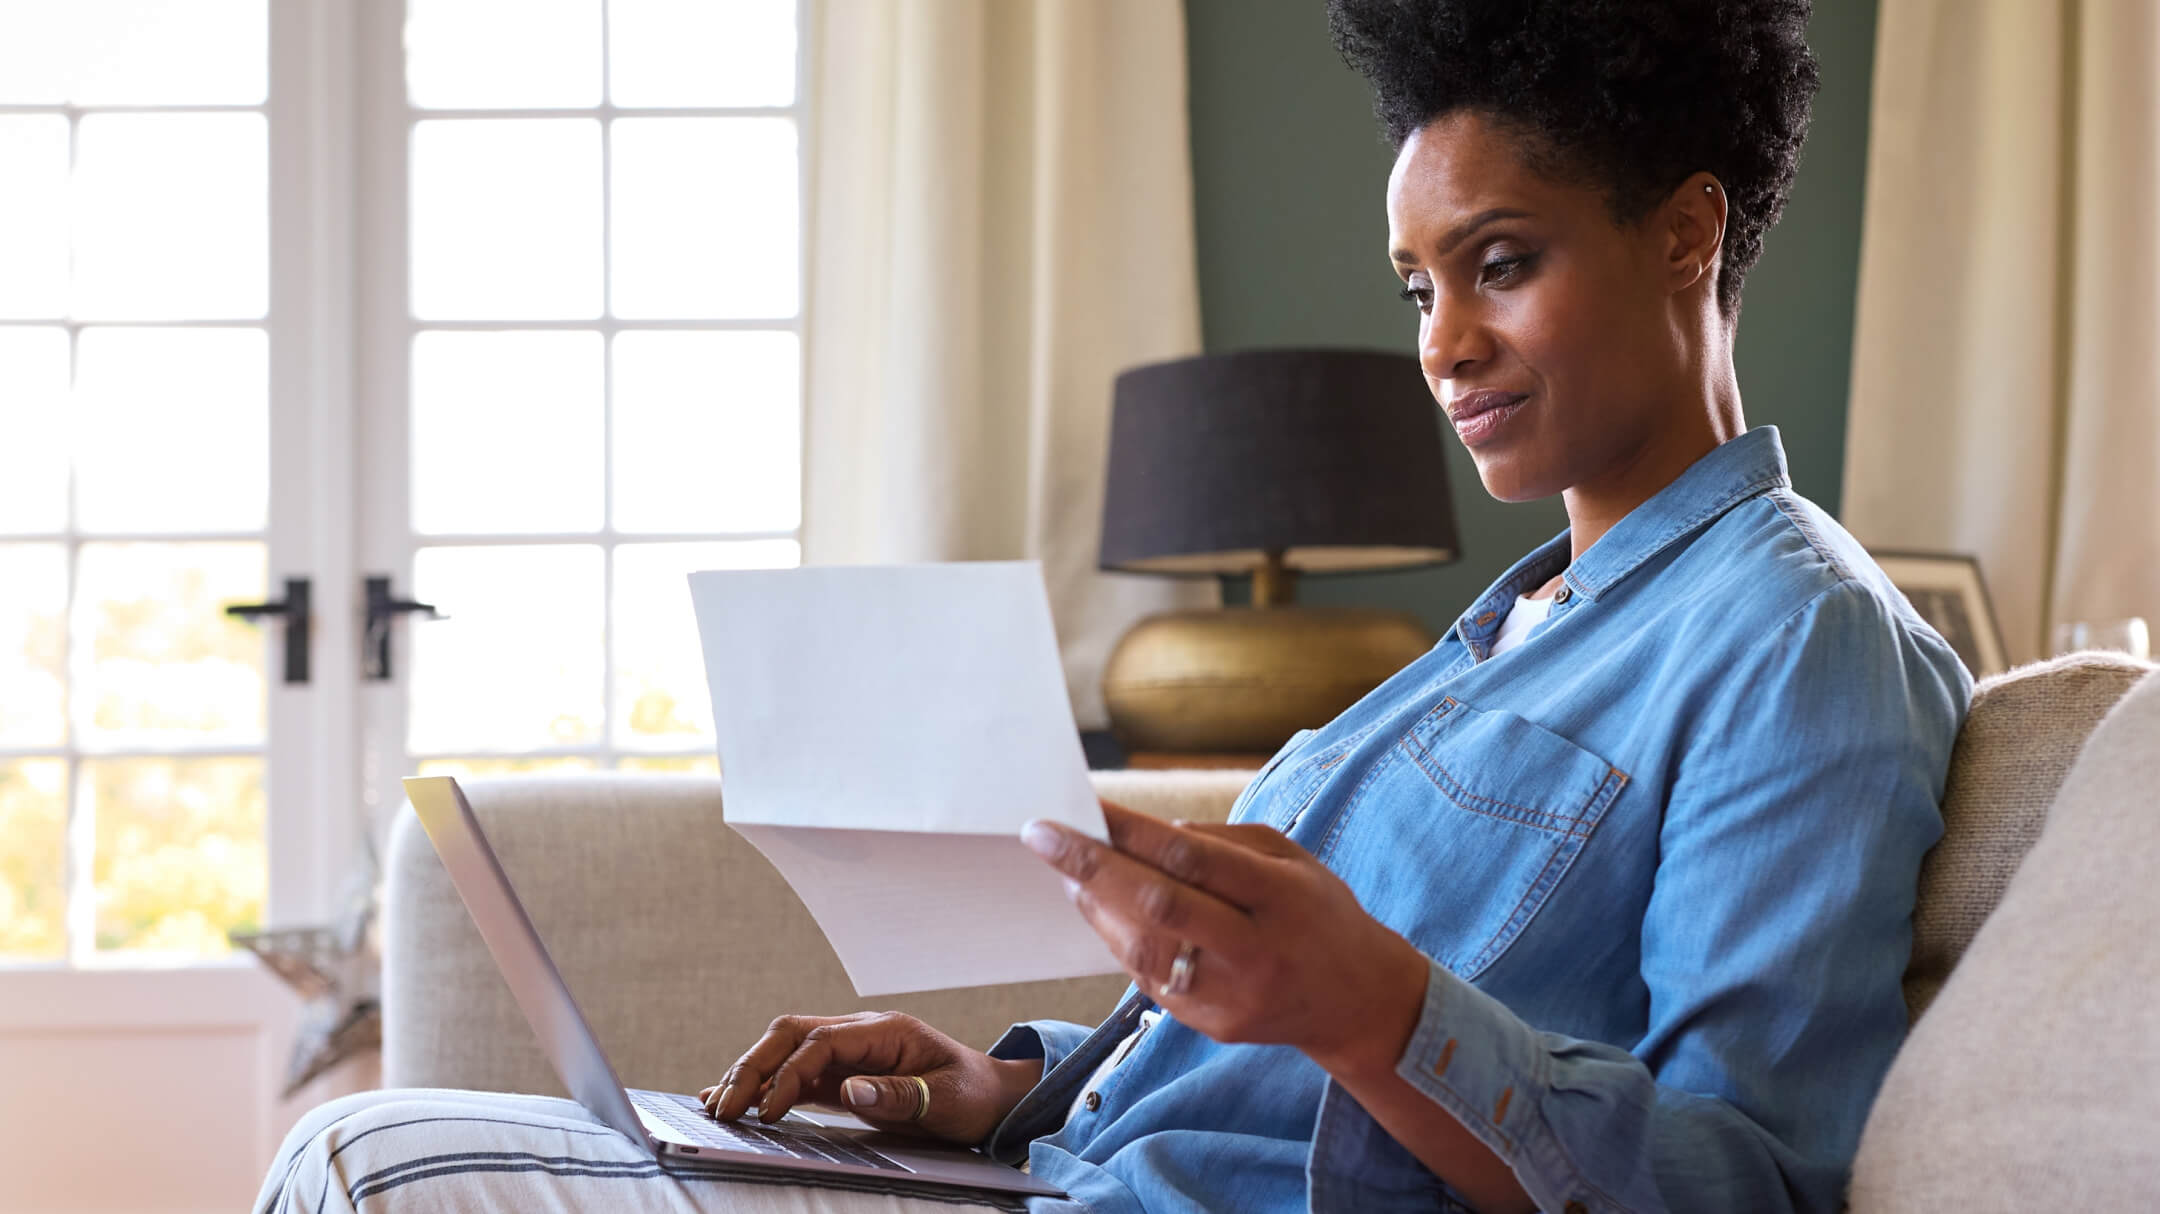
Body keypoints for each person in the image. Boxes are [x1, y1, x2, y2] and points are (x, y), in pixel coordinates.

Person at [255, 1, 1969, 1210]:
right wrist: (995, 1086)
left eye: (1500, 262)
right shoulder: (1505, 630)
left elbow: (1753, 1179)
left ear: (1686, 237)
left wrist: (1376, 1004)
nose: (1440, 343)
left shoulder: (1799, 641)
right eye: (1418, 285)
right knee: (386, 1144)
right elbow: (1252, 1066)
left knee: (362, 1167)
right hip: (1056, 1173)